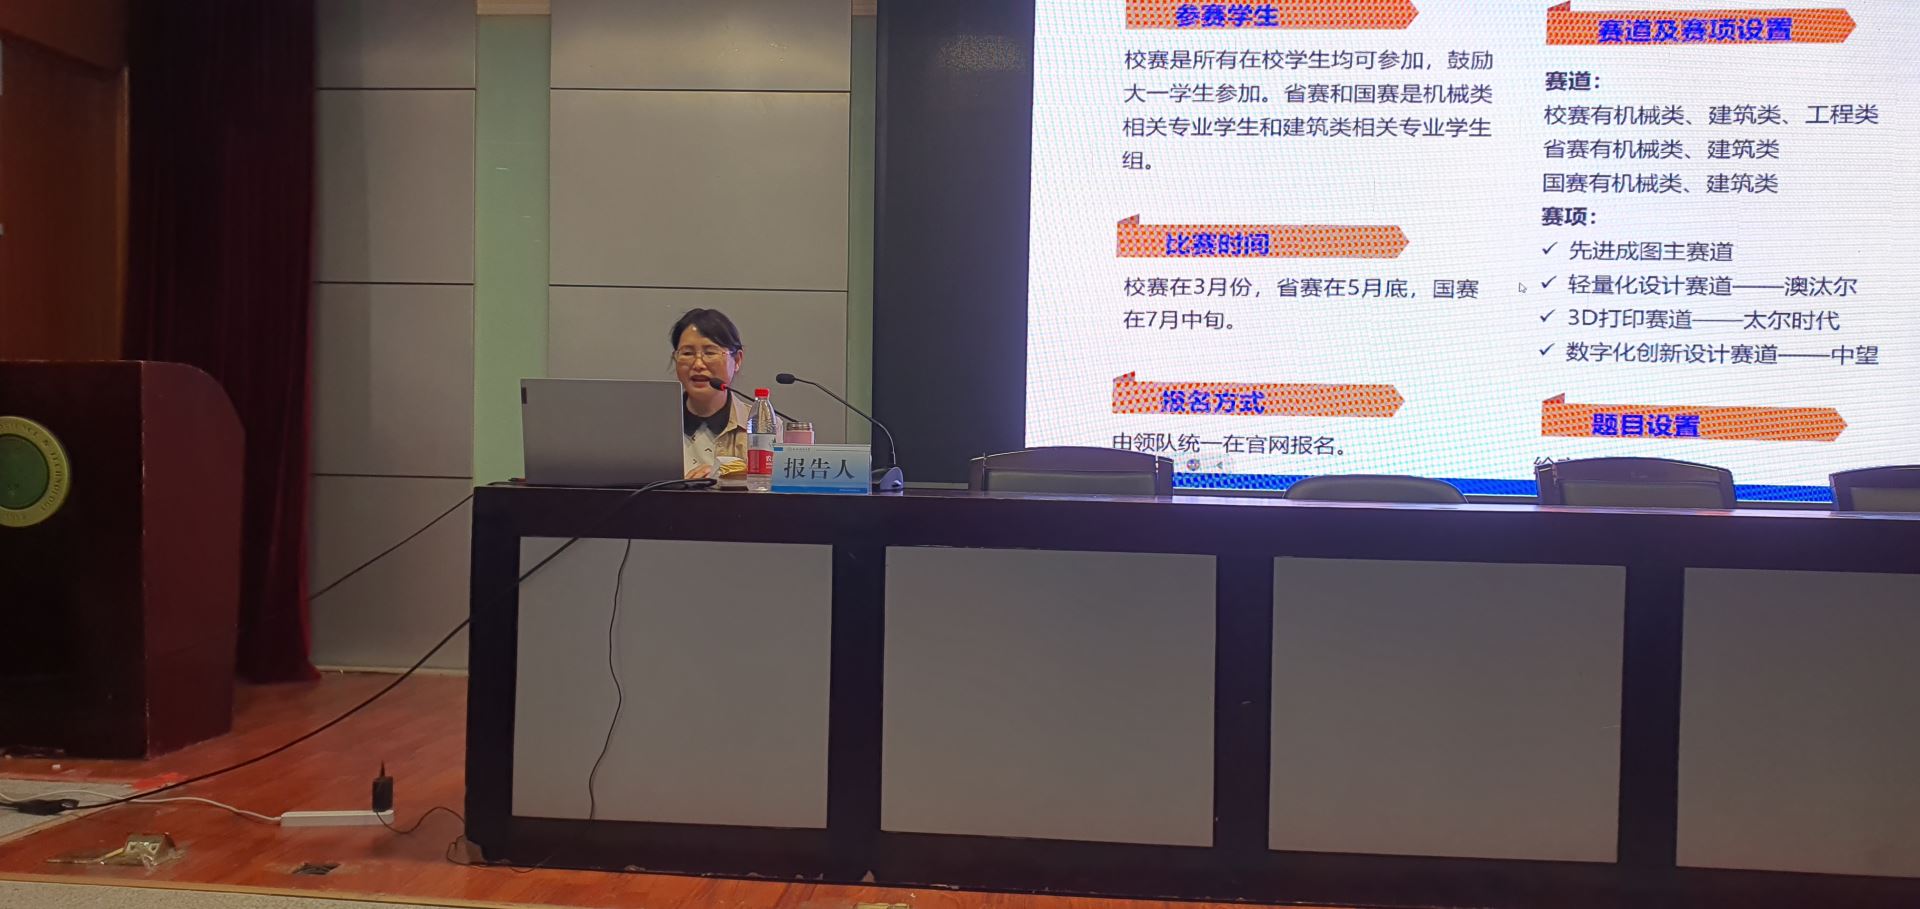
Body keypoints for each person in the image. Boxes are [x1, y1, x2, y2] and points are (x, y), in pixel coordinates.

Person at [671, 308, 771, 480]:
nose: (698, 364)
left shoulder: (763, 426)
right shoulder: (655, 426)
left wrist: (732, 475)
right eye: (687, 353)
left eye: (710, 353)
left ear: (737, 360)